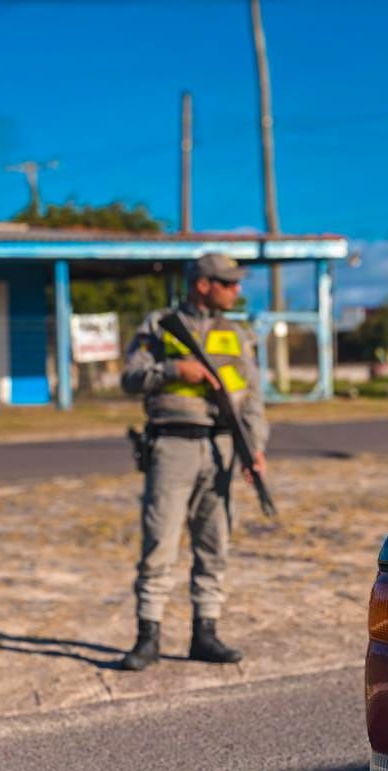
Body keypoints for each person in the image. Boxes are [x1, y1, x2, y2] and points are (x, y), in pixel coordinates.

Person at [118, 253, 269, 671]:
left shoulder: (236, 333)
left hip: (222, 446)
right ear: (202, 284)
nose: (236, 290)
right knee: (158, 543)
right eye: (228, 282)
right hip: (172, 446)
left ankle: (206, 631)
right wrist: (174, 370)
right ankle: (148, 635)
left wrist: (254, 448)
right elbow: (130, 377)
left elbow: (252, 397)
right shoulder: (158, 324)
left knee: (215, 543)